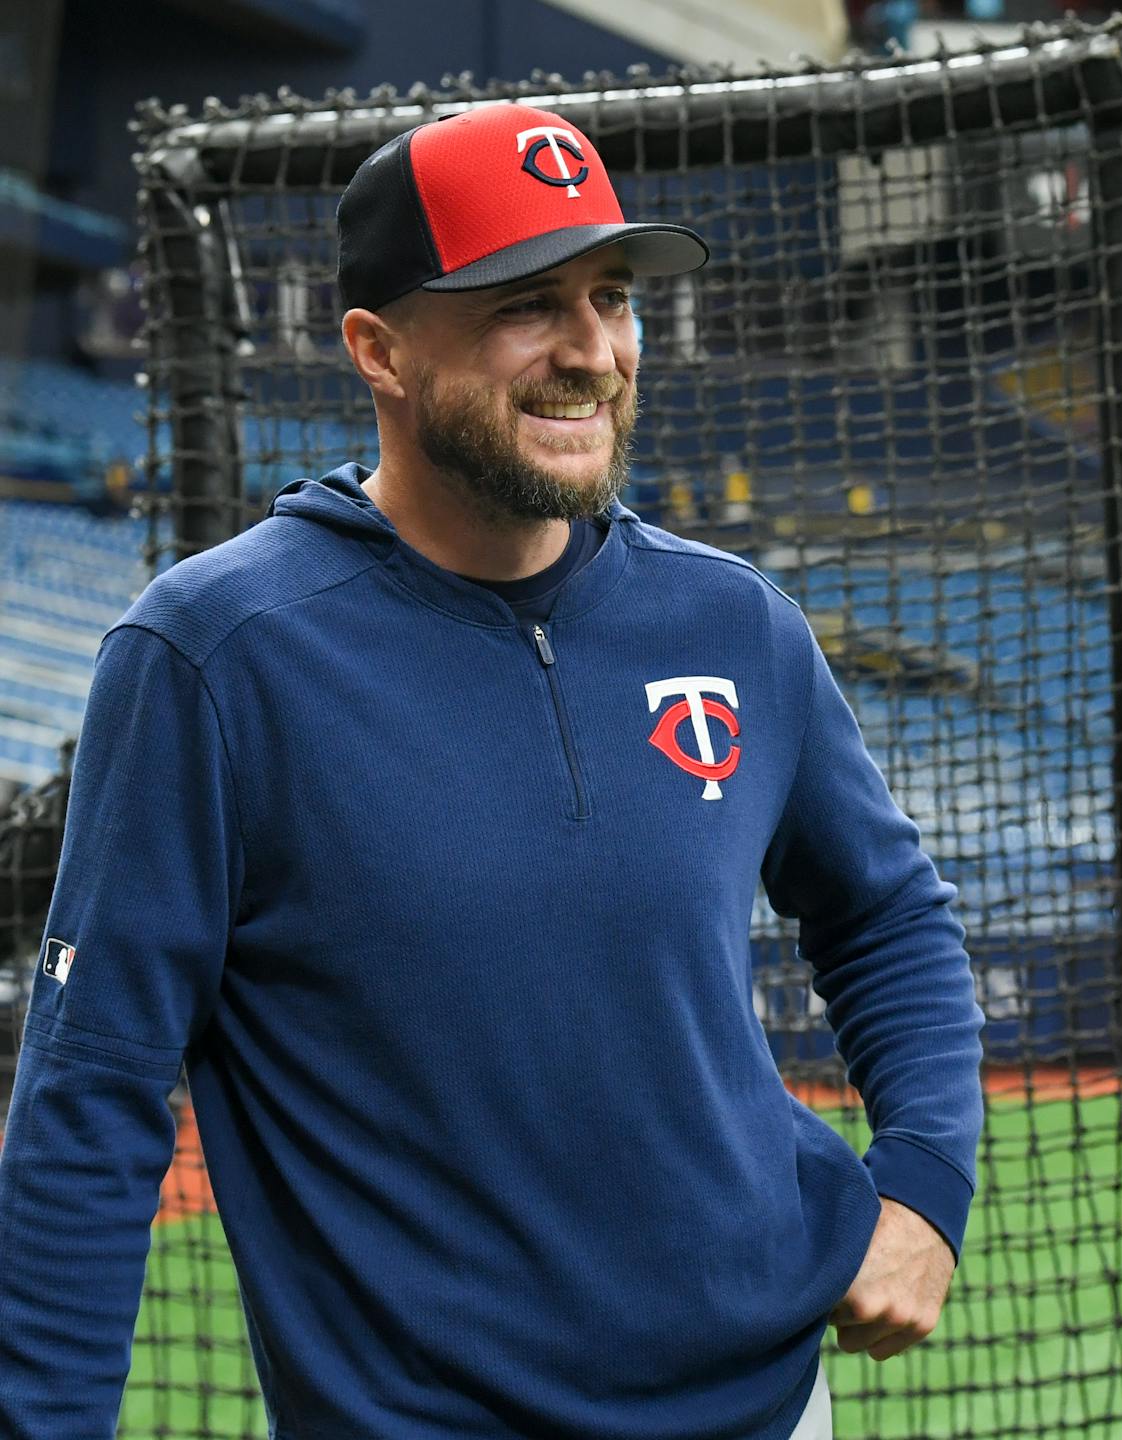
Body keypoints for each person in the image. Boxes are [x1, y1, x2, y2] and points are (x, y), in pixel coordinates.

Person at [0, 102, 985, 1440]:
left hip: (768, 1403)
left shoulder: (733, 620)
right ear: (378, 349)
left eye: (614, 297)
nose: (594, 352)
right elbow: (92, 1100)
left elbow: (887, 916)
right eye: (530, 305)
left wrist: (924, 1187)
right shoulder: (214, 655)